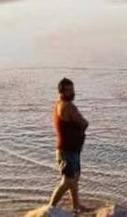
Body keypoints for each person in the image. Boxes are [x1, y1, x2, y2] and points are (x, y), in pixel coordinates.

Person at [49, 78, 89, 212]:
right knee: (67, 181)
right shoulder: (68, 106)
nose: (72, 93)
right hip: (67, 151)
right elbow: (84, 123)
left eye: (73, 89)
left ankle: (76, 206)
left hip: (71, 149)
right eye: (69, 90)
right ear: (61, 92)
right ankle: (50, 207)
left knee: (74, 179)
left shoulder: (59, 104)